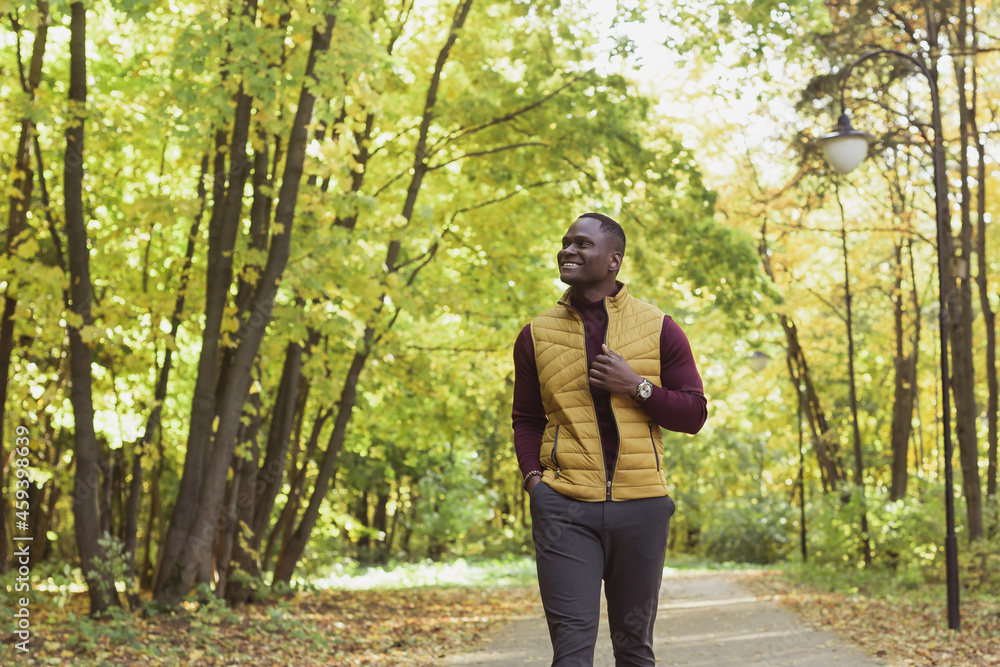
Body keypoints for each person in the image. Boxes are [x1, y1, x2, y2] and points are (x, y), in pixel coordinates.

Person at [511, 212, 707, 666]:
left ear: (614, 259)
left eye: (582, 244)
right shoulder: (536, 333)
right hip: (564, 508)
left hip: (642, 509)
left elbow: (694, 414)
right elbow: (525, 418)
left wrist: (636, 386)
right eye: (566, 242)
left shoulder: (659, 327)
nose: (568, 250)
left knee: (634, 649)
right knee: (572, 652)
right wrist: (534, 482)